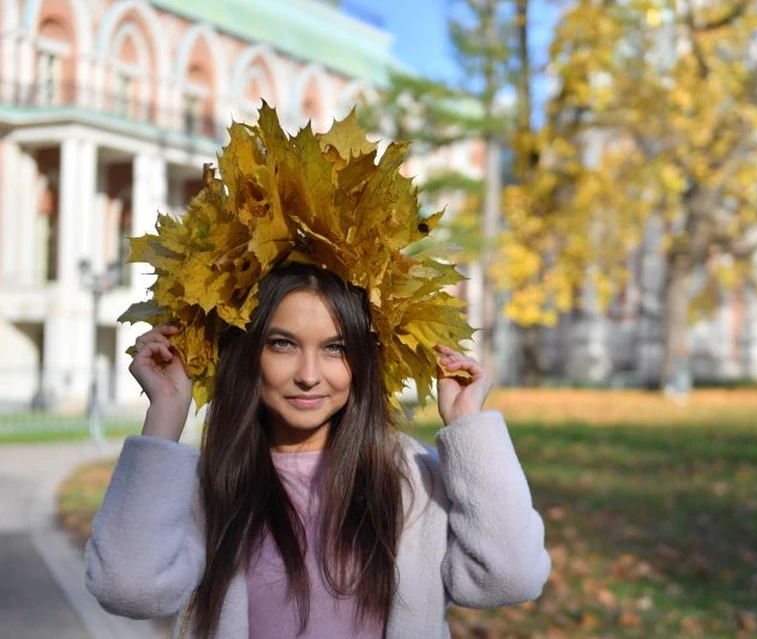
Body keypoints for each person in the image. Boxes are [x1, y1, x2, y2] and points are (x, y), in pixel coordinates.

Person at [84, 105, 551, 638]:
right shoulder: (208, 485)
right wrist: (165, 416)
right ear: (248, 352)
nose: (310, 374)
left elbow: (510, 578)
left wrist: (469, 426)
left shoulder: (410, 481)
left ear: (364, 358)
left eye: (335, 348)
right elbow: (127, 589)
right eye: (283, 344)